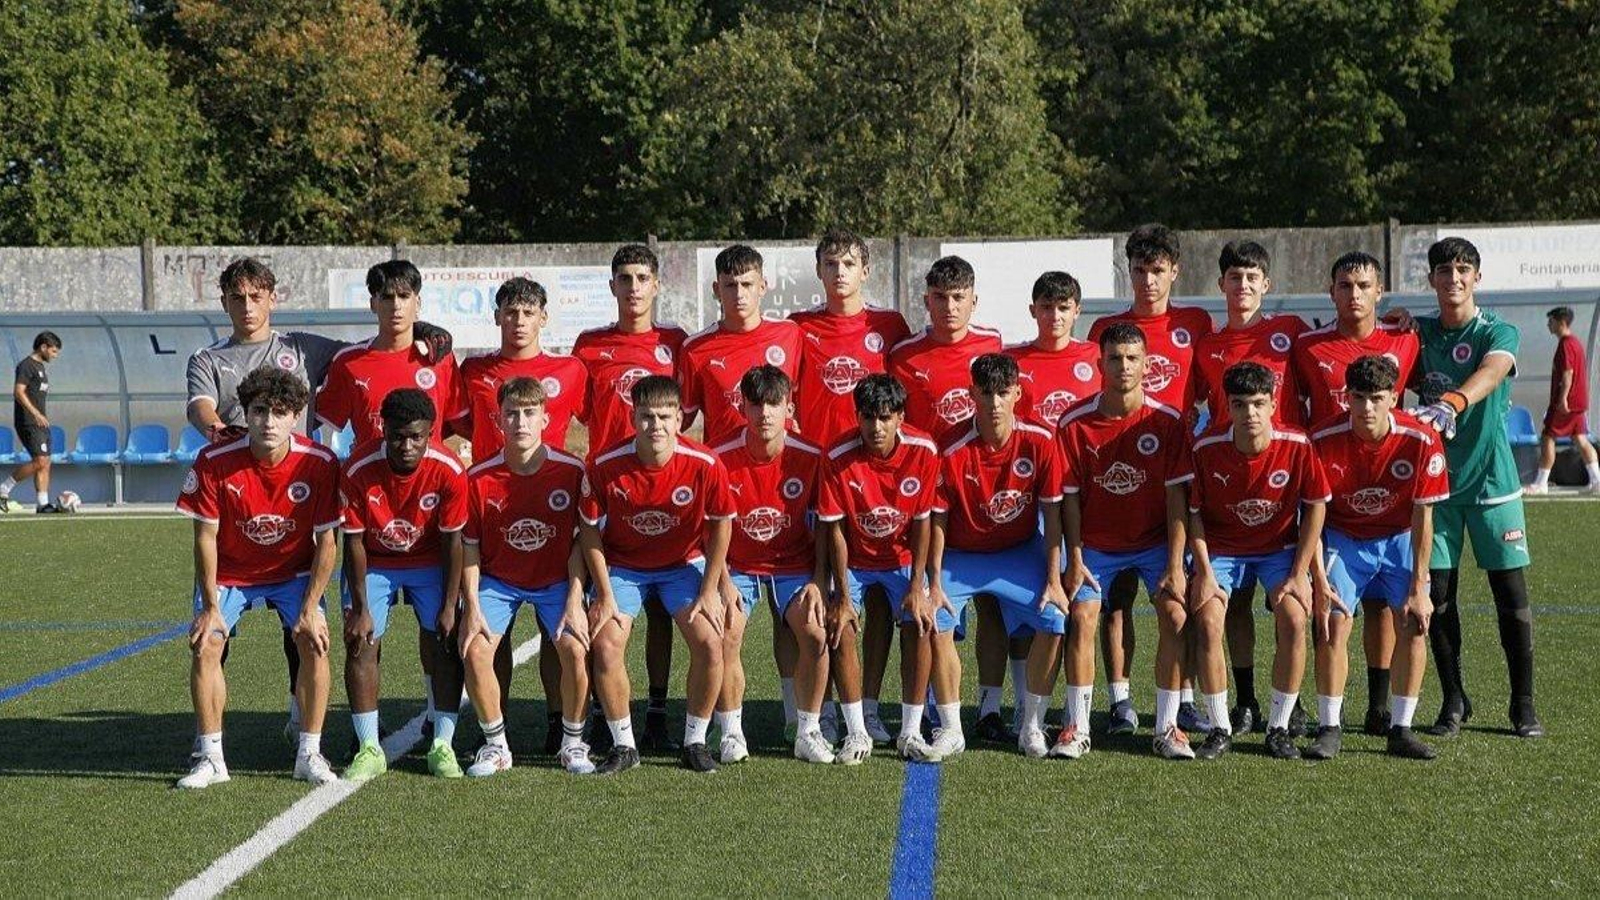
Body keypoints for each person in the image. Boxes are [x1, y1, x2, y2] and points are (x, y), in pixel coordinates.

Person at [185, 256, 451, 739]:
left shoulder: (304, 349)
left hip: (298, 498)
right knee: (215, 637)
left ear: (273, 298)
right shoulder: (208, 359)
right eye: (237, 297)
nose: (247, 306)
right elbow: (200, 407)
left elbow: (375, 347)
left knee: (304, 623)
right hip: (238, 493)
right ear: (223, 302)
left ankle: (297, 714)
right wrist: (221, 431)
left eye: (256, 295)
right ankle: (211, 743)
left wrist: (424, 327)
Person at [173, 366, 340, 788]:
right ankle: (210, 757)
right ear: (245, 413)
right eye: (260, 411)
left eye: (280, 412)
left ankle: (310, 752)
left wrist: (310, 608)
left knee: (315, 641)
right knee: (206, 644)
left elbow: (327, 544)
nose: (269, 421)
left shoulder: (320, 463)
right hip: (231, 572)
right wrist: (211, 608)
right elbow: (205, 537)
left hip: (294, 572)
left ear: (297, 416)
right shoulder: (213, 461)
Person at [449, 276, 588, 755]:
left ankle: (559, 722)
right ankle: (496, 726)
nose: (519, 321)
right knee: (492, 634)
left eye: (528, 312)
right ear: (497, 317)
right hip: (491, 505)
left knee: (559, 639)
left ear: (543, 318)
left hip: (550, 503)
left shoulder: (571, 369)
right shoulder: (473, 370)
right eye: (510, 312)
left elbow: (599, 419)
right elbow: (453, 424)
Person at [1409, 237, 1542, 738]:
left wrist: (1453, 401)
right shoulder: (1417, 332)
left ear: (1477, 278)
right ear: (1432, 280)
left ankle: (1522, 704)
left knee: (1510, 594)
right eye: (1444, 270)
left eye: (1463, 269)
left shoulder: (1497, 330)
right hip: (1435, 486)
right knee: (1438, 596)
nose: (1454, 278)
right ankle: (1453, 700)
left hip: (1492, 483)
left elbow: (1493, 370)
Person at [1086, 224, 1214, 737]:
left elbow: (1210, 391)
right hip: (1119, 481)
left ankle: (1180, 697)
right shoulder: (1105, 331)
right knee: (1114, 601)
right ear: (1128, 272)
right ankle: (1119, 699)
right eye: (1139, 270)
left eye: (1157, 270)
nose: (1148, 280)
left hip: (1177, 480)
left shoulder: (1196, 324)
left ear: (1174, 271)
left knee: (1175, 592)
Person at [1290, 251, 1420, 736]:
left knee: (1384, 608)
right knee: (1321, 607)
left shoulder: (1405, 337)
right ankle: (1313, 707)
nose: (1355, 294)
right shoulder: (1307, 346)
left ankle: (1379, 707)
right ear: (1332, 292)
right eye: (1345, 286)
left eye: (1364, 285)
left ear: (1380, 291)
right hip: (1328, 490)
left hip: (1387, 491)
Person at [790, 230, 913, 741]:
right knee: (828, 595)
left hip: (878, 486)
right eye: (830, 263)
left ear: (867, 271)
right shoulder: (798, 330)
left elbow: (904, 405)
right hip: (822, 483)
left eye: (849, 263)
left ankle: (870, 704)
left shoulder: (890, 327)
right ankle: (815, 708)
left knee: (883, 602)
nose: (840, 272)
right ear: (819, 272)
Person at [578, 375, 734, 774]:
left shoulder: (705, 463)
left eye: (665, 416)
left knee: (711, 643)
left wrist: (711, 588)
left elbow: (721, 525)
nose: (656, 426)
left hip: (683, 565)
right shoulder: (604, 464)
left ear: (680, 420)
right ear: (633, 418)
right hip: (624, 567)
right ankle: (624, 745)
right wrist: (604, 593)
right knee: (607, 643)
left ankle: (695, 740)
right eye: (646, 417)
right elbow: (591, 531)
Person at [1056, 325, 1195, 759]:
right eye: (1115, 358)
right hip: (1095, 545)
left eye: (1132, 358)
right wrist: (1074, 558)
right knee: (1081, 616)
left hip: (1154, 543)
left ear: (1147, 365)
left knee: (1175, 615)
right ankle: (1076, 727)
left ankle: (1168, 726)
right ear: (1100, 364)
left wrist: (1175, 564)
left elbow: (1177, 501)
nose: (1124, 366)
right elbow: (1070, 502)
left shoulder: (1166, 422)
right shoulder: (1074, 423)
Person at [571, 244, 687, 752]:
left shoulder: (677, 344)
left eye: (643, 277)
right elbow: (569, 411)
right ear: (612, 286)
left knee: (662, 608)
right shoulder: (589, 345)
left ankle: (658, 710)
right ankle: (602, 709)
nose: (634, 287)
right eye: (625, 278)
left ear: (657, 285)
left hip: (662, 493)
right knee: (607, 606)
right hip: (610, 493)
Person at [1191, 240, 1308, 736]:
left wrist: (1399, 322)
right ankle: (1242, 699)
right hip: (1227, 484)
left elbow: (1341, 356)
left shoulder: (1291, 333)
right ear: (1221, 285)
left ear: (1267, 284)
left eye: (1252, 277)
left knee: (1300, 602)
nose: (1243, 286)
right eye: (1234, 278)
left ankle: (1294, 705)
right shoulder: (1207, 347)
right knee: (1231, 604)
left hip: (1287, 481)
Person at [926, 353, 1067, 759]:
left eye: (1003, 393)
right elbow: (937, 520)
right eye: (985, 393)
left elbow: (1054, 512)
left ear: (1018, 393)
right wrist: (933, 584)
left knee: (1055, 617)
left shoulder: (1040, 439)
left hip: (1018, 551)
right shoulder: (950, 447)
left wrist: (1055, 578)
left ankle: (1032, 726)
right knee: (933, 619)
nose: (994, 403)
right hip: (961, 554)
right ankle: (952, 728)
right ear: (972, 394)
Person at [1187, 362, 1329, 759]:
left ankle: (1279, 727)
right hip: (1222, 549)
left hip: (1277, 549)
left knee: (1295, 618)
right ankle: (1219, 728)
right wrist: (1204, 571)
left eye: (1258, 404)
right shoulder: (1206, 447)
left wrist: (1301, 574)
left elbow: (1316, 506)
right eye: (1240, 404)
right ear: (1227, 408)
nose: (1250, 413)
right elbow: (1193, 513)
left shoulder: (1297, 444)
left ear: (1273, 406)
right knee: (1210, 619)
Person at [1308, 355, 1445, 760]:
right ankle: (1329, 726)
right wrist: (1317, 577)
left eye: (1377, 398)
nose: (1367, 408)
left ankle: (1400, 729)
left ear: (1394, 399)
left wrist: (1420, 587)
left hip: (1399, 537)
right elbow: (1311, 516)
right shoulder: (1320, 439)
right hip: (1343, 538)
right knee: (1333, 621)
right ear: (1346, 398)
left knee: (1415, 620)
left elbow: (1424, 517)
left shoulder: (1421, 440)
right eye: (1359, 398)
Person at [456, 377, 593, 776]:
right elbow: (470, 547)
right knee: (476, 648)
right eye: (511, 414)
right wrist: (473, 606)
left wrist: (574, 598)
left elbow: (579, 542)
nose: (520, 422)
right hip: (499, 582)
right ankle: (496, 745)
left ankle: (573, 743)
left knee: (574, 648)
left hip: (556, 581)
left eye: (529, 413)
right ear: (498, 421)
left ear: (546, 419)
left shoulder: (571, 471)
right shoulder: (478, 478)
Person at [339, 389, 468, 780]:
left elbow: (452, 541)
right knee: (360, 640)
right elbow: (354, 541)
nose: (407, 445)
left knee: (446, 640)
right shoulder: (358, 469)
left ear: (431, 432)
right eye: (397, 436)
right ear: (383, 429)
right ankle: (368, 746)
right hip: (375, 561)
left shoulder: (449, 470)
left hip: (429, 560)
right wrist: (360, 609)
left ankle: (442, 744)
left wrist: (449, 606)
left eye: (417, 436)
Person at [712, 366, 839, 763]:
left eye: (774, 404)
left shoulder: (811, 456)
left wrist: (819, 581)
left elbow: (823, 526)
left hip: (794, 564)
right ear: (742, 407)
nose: (765, 413)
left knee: (815, 634)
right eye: (756, 404)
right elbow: (709, 531)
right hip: (738, 566)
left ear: (789, 407)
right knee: (727, 632)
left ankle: (808, 729)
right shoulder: (718, 457)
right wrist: (722, 581)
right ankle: (731, 731)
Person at [817, 374, 943, 761]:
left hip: (902, 560)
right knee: (841, 626)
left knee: (920, 621)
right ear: (857, 417)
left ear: (901, 417)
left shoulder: (924, 450)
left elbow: (924, 522)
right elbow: (834, 530)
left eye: (885, 417)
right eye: (868, 417)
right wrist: (840, 594)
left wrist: (918, 587)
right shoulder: (837, 456)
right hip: (853, 559)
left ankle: (909, 732)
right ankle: (856, 732)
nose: (876, 426)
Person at [314, 260, 460, 447]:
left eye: (404, 296)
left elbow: (459, 424)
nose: (396, 305)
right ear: (373, 304)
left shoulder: (439, 357)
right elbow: (314, 419)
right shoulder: (348, 362)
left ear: (418, 302)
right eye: (387, 297)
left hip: (427, 475)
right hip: (370, 474)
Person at [679, 244, 804, 448]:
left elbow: (804, 400)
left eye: (747, 284)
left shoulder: (790, 334)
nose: (739, 294)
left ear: (762, 286)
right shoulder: (695, 349)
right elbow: (680, 420)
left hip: (783, 465)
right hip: (725, 468)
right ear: (716, 289)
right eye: (730, 285)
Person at [1529, 305, 1598, 493]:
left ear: (1561, 322)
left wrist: (1563, 399)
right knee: (1581, 439)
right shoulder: (1575, 342)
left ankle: (1541, 483)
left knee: (1547, 437)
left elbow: (1568, 374)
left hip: (1566, 404)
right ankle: (1596, 480)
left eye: (1551, 321)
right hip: (1578, 403)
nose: (1548, 324)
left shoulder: (1567, 344)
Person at [3, 331, 64, 513]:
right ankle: (4, 489)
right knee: (39, 461)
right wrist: (36, 414)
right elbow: (19, 391)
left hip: (40, 422)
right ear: (43, 347)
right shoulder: (26, 366)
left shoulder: (41, 368)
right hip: (28, 421)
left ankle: (42, 504)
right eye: (53, 351)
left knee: (46, 462)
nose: (55, 355)